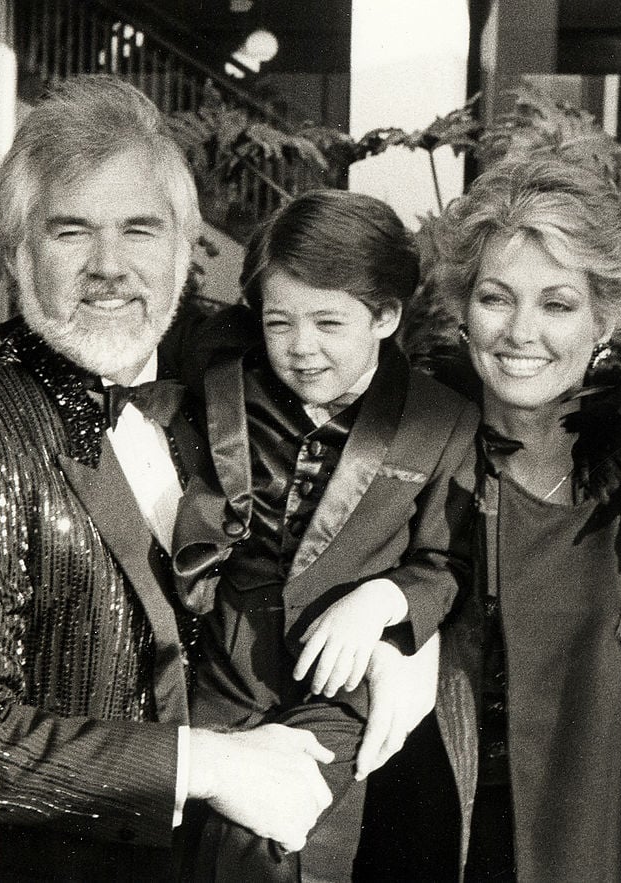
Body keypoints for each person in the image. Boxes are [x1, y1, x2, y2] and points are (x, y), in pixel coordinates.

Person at [0, 75, 339, 882]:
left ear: (189, 252)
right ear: (16, 255)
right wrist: (209, 766)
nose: (110, 266)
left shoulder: (219, 401)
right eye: (72, 231)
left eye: (141, 230)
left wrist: (404, 632)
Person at [364, 155, 621, 882]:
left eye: (557, 304)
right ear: (464, 309)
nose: (521, 332)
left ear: (605, 319)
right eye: (497, 298)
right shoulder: (405, 459)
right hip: (424, 850)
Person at [168, 190, 480, 881]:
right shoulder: (222, 362)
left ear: (387, 317)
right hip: (222, 667)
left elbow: (444, 560)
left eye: (329, 322)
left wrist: (385, 601)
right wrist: (3, 341)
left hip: (334, 685)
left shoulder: (441, 420)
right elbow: (127, 324)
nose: (301, 347)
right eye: (280, 322)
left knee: (276, 833)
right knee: (184, 832)